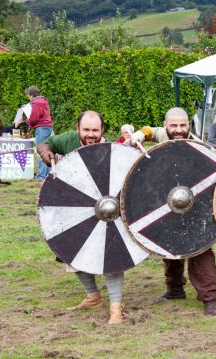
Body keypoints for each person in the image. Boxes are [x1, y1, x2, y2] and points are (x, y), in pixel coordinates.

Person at [129, 107, 216, 316]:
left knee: (201, 249)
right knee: (169, 244)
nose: (179, 130)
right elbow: (148, 131)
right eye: (174, 125)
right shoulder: (163, 134)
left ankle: (209, 298)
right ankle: (174, 289)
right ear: (166, 125)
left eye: (183, 125)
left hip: (196, 202)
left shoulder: (200, 146)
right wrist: (140, 134)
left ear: (188, 126)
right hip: (168, 197)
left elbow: (215, 176)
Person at [37, 111, 125, 324]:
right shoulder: (68, 139)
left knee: (111, 255)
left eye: (95, 130)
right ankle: (93, 297)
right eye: (86, 130)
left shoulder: (111, 152)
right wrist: (46, 154)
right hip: (75, 207)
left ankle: (116, 308)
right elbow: (44, 144)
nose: (91, 135)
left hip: (109, 210)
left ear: (102, 130)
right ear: (78, 129)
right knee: (71, 250)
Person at [23, 86, 53, 180]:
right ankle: (48, 173)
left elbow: (34, 118)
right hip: (48, 127)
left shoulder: (36, 102)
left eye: (28, 95)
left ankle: (42, 176)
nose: (28, 97)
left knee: (41, 151)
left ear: (31, 94)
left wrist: (27, 121)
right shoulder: (43, 101)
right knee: (46, 150)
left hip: (41, 129)